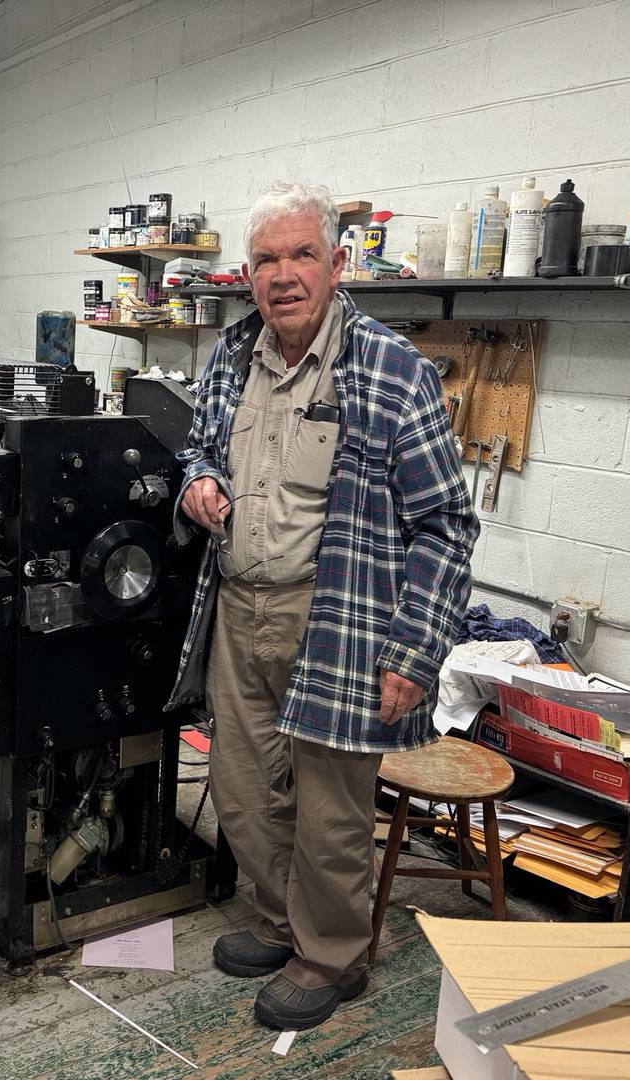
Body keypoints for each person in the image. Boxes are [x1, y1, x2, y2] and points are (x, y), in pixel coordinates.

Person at [166, 182, 478, 1031]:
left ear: (338, 264)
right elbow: (198, 444)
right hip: (238, 607)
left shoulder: (391, 371)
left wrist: (414, 654)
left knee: (332, 809)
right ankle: (276, 922)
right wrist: (196, 480)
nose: (284, 274)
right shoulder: (231, 356)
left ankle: (335, 955)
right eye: (267, 259)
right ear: (246, 273)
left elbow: (446, 525)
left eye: (303, 254)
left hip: (336, 616)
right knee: (240, 787)